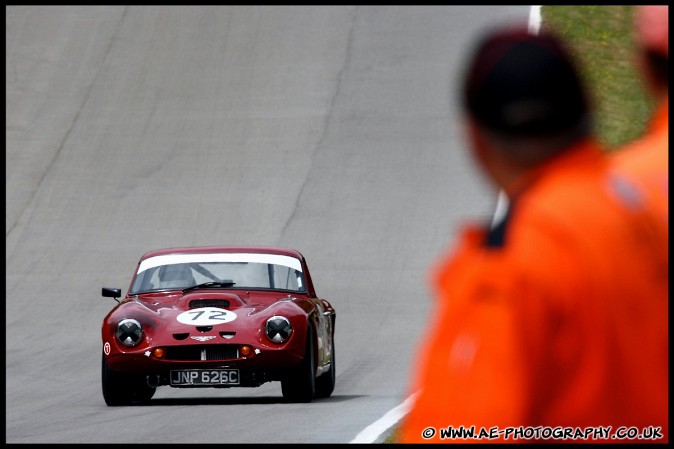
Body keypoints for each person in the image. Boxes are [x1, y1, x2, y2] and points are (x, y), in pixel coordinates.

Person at [400, 25, 668, 443]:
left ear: (475, 140)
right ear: (589, 113)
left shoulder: (513, 261)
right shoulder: (644, 216)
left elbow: (467, 428)